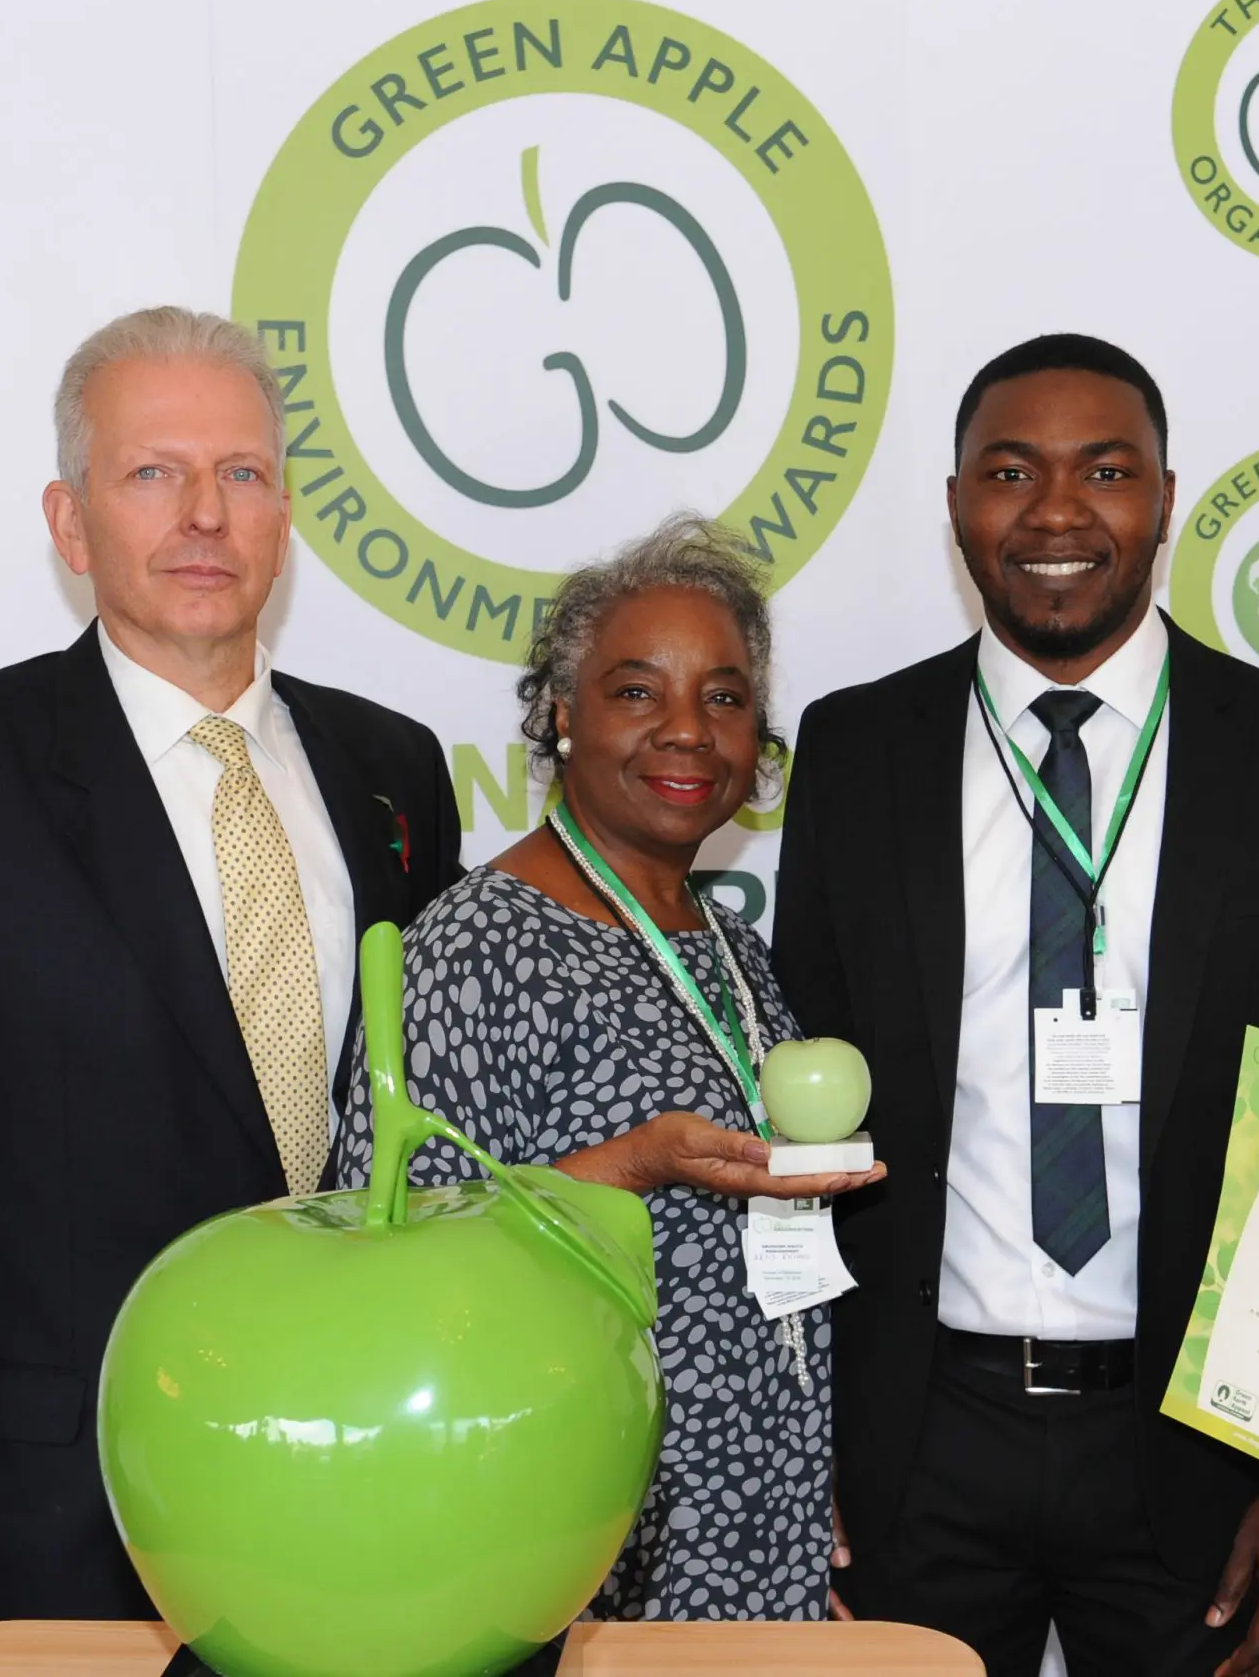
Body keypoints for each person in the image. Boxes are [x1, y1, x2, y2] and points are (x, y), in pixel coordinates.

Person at [0, 306, 464, 1677]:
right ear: (70, 524)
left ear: (284, 513)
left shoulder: (395, 770)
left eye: (242, 475)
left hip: (371, 1526)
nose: (205, 514)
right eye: (154, 475)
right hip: (50, 1548)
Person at [771, 335, 1259, 1676]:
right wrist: (803, 1441)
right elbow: (800, 1120)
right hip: (923, 1437)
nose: (1057, 512)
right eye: (1011, 473)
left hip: (1198, 1452)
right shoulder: (856, 750)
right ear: (957, 508)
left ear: (1166, 498)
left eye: (1104, 471)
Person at [333, 518, 882, 1628]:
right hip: (568, 1548)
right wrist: (626, 1167)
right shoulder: (478, 945)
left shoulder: (732, 948)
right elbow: (388, 1259)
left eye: (724, 699)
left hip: (749, 1534)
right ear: (561, 714)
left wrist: (795, 1459)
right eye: (639, 692)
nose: (688, 732)